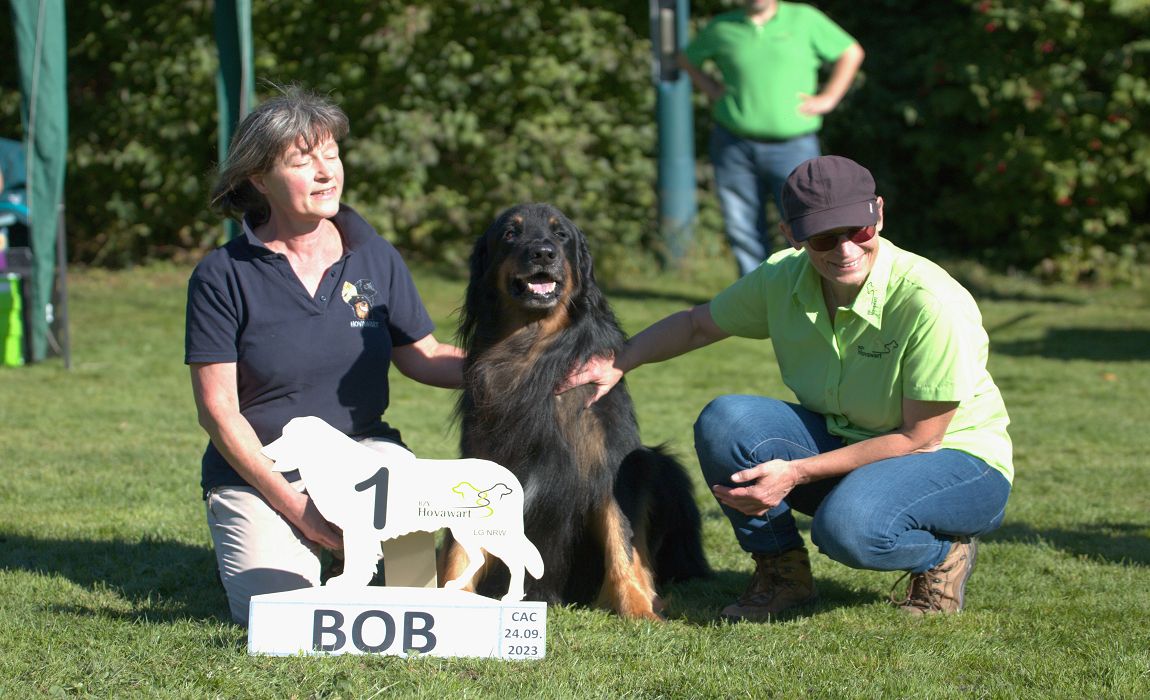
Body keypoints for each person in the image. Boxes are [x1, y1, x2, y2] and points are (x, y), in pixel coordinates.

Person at [563, 156, 1013, 620]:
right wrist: (619, 360)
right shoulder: (783, 277)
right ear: (791, 235)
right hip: (853, 437)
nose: (845, 249)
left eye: (858, 229)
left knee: (850, 531)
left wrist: (796, 472)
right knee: (727, 422)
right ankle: (782, 576)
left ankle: (941, 555)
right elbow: (698, 325)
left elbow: (921, 438)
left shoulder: (931, 302)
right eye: (823, 237)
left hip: (956, 461)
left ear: (878, 212)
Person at [185, 87, 464, 624]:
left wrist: (524, 371)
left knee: (420, 598)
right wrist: (302, 513)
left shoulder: (374, 255)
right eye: (302, 160)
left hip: (365, 458)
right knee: (279, 616)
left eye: (331, 154)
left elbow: (424, 355)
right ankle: (301, 547)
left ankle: (374, 558)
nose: (325, 172)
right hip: (264, 470)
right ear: (257, 180)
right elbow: (218, 411)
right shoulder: (221, 275)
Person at [678, 0, 864, 277]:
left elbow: (851, 52)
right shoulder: (722, 27)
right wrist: (713, 90)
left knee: (810, 221)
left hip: (794, 145)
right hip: (733, 143)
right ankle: (757, 296)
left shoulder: (804, 18)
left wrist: (829, 98)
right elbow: (686, 59)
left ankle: (814, 286)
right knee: (742, 227)